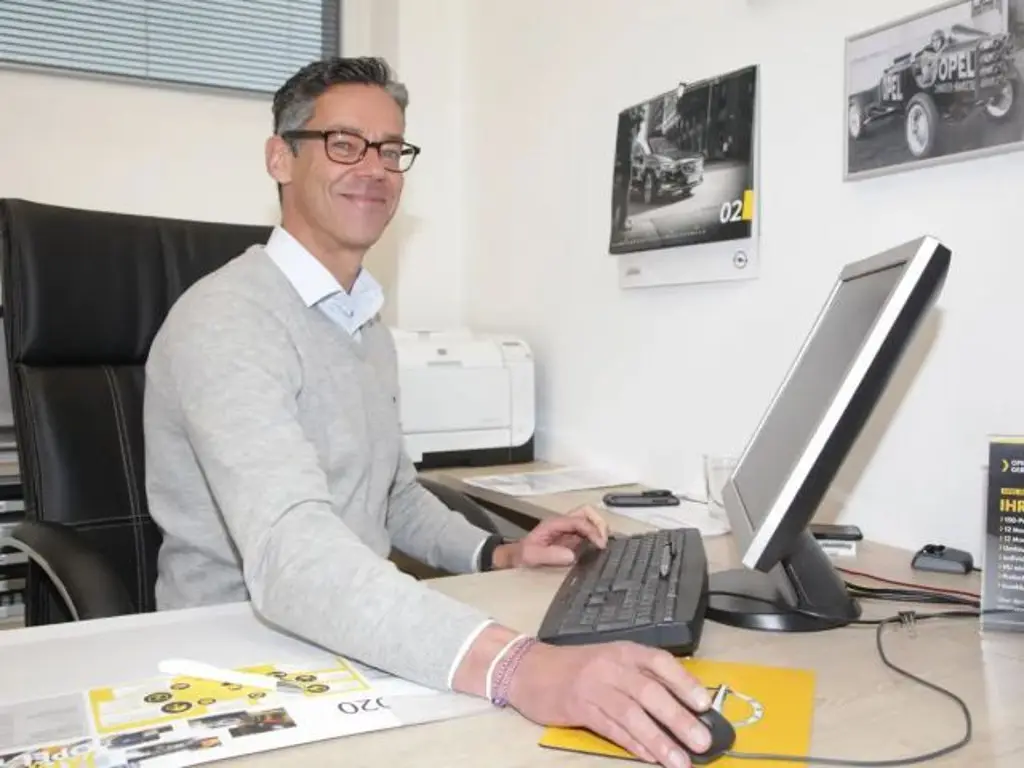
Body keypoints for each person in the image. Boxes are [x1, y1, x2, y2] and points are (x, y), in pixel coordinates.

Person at [143, 56, 713, 768]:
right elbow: (293, 557)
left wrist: (499, 553)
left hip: (354, 632)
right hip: (235, 659)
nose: (374, 168)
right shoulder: (225, 321)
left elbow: (393, 495)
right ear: (280, 158)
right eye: (344, 144)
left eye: (390, 150)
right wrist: (520, 668)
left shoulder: (363, 323)